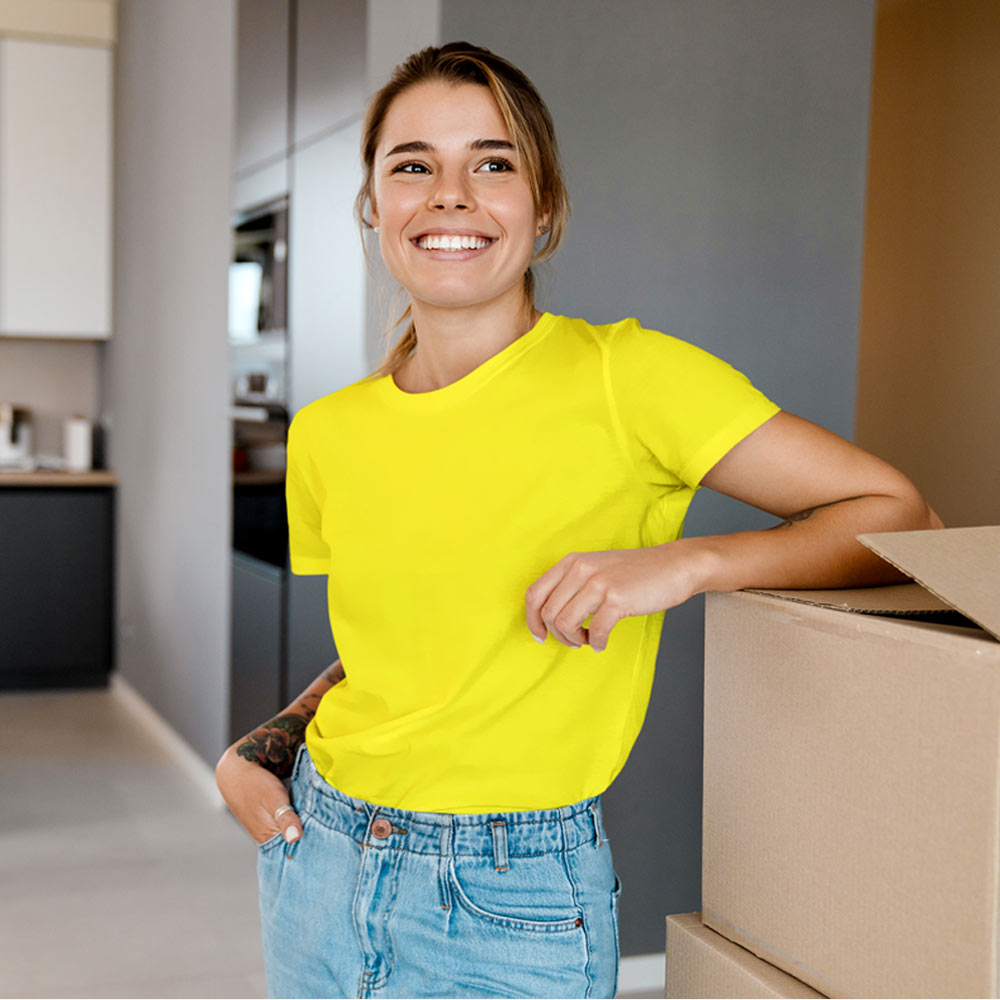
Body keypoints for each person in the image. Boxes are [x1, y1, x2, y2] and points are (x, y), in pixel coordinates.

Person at [216, 42, 942, 1000]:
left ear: (544, 207)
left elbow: (904, 518)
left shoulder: (629, 379)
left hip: (510, 897)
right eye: (412, 165)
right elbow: (402, 655)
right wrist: (261, 746)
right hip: (319, 861)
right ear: (375, 207)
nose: (450, 194)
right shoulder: (328, 434)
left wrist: (682, 565)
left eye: (492, 162)